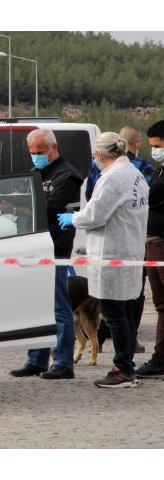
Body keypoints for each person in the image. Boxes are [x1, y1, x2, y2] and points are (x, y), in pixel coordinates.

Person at [59, 132, 149, 388]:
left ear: (100, 155)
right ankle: (126, 365)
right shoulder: (134, 174)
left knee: (114, 313)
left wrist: (73, 218)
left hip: (113, 253)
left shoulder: (112, 178)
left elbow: (95, 215)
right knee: (126, 313)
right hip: (128, 251)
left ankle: (123, 369)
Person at [4, 128, 83, 380]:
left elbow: (50, 209)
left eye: (40, 152)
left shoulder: (67, 176)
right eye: (32, 153)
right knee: (36, 306)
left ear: (53, 147)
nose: (36, 157)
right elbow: (26, 204)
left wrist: (17, 205)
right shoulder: (35, 173)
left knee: (59, 307)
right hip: (33, 248)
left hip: (55, 247)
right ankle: (36, 360)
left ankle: (63, 362)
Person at [136, 120, 164, 380]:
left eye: (157, 146)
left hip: (162, 244)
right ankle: (159, 358)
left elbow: (152, 196)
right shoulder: (159, 169)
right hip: (153, 243)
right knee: (160, 305)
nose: (154, 150)